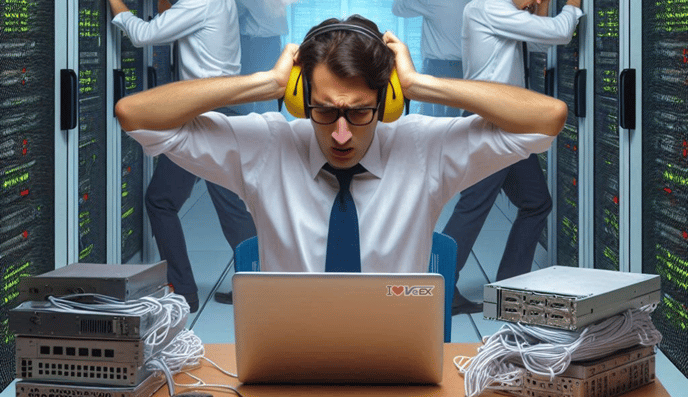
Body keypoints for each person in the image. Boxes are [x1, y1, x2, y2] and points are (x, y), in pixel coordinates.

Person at [114, 15, 567, 276]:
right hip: (288, 361)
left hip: (395, 363)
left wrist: (420, 84)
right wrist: (264, 83)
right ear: (300, 99)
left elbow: (546, 119)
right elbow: (137, 116)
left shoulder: (424, 147)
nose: (342, 133)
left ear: (388, 103)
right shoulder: (268, 144)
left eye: (360, 111)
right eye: (326, 110)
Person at [108, 0, 257, 313]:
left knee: (160, 200)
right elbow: (179, 22)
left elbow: (144, 34)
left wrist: (117, 5)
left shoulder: (197, 2)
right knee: (233, 207)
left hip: (203, 113)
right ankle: (259, 290)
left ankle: (184, 293)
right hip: (225, 107)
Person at [443, 0, 583, 315]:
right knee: (474, 205)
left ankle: (510, 289)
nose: (532, 3)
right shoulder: (487, 7)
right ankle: (438, 290)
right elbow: (560, 34)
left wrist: (542, 8)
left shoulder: (502, 12)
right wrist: (572, 5)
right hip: (491, 122)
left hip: (511, 123)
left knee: (536, 202)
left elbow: (538, 41)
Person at [391, 0, 470, 117]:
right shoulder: (473, 3)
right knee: (460, 119)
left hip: (438, 69)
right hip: (467, 69)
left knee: (433, 120)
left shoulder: (431, 2)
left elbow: (397, 8)